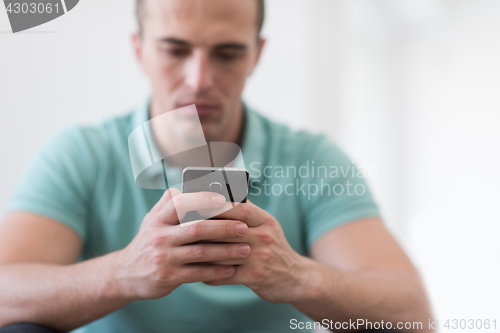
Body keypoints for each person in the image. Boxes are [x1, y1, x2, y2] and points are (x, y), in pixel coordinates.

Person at [0, 0, 434, 332]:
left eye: (226, 53)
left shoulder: (309, 160)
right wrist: (126, 271)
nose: (199, 79)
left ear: (256, 55)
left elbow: (413, 314)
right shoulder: (84, 154)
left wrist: (296, 275)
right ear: (140, 50)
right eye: (175, 49)